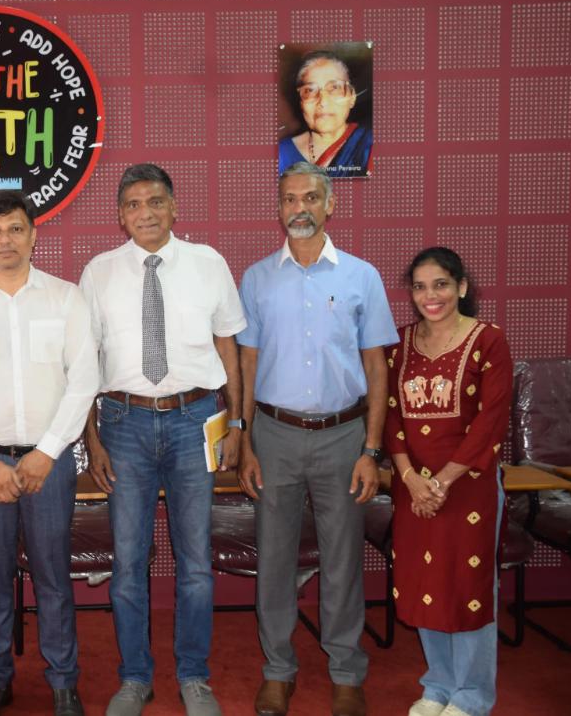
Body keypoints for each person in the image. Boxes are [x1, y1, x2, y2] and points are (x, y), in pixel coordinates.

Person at [79, 163, 245, 716]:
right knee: (128, 562)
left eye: (155, 202)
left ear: (174, 207)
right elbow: (83, 362)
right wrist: (92, 440)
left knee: (195, 561)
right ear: (120, 215)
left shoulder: (208, 264)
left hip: (194, 420)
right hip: (122, 424)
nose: (145, 213)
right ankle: (135, 678)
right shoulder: (99, 272)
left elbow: (229, 348)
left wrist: (237, 424)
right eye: (133, 204)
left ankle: (194, 676)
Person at [237, 161, 397, 716]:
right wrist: (246, 441)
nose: (299, 208)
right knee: (274, 558)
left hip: (344, 436)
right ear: (278, 208)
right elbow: (247, 366)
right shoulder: (256, 278)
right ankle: (278, 670)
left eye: (310, 197)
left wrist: (371, 450)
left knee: (343, 559)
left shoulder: (362, 276)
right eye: (289, 198)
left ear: (331, 205)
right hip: (274, 435)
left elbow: (377, 368)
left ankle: (346, 672)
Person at [0, 191, 98, 716]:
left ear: (33, 235)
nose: (5, 239)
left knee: (53, 576)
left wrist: (47, 452)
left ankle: (63, 682)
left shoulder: (66, 298)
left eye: (15, 228)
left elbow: (84, 381)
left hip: (50, 463)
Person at [383, 248, 511, 716]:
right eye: (419, 287)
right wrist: (410, 479)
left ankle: (472, 696)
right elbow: (391, 417)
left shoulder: (488, 340)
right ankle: (437, 686)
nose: (429, 296)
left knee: (468, 587)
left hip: (467, 487)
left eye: (440, 284)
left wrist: (440, 482)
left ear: (461, 287)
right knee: (424, 584)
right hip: (413, 488)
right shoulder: (399, 344)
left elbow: (490, 422)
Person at [278, 51, 373, 178]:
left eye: (334, 88)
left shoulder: (370, 145)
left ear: (352, 97)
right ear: (301, 102)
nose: (323, 102)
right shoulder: (281, 154)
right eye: (310, 90)